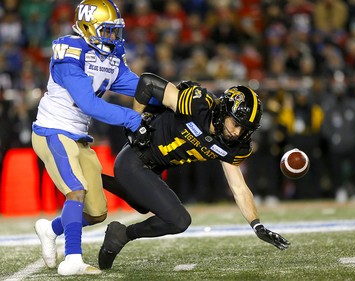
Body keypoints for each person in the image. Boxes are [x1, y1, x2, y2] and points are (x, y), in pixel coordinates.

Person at [98, 73, 290, 270]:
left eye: (245, 129)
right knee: (179, 220)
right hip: (134, 160)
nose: (237, 133)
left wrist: (257, 225)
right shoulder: (198, 105)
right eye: (236, 123)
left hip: (152, 171)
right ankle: (121, 235)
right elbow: (147, 82)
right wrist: (134, 123)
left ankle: (97, 180)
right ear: (223, 111)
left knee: (142, 205)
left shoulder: (234, 145)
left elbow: (239, 188)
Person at [31, 0, 158, 276]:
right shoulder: (70, 51)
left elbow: (139, 87)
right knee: (75, 189)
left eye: (114, 31)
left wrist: (174, 98)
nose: (112, 37)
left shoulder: (110, 57)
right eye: (107, 30)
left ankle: (50, 229)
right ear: (88, 27)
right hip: (53, 129)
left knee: (97, 212)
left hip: (78, 135)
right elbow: (87, 103)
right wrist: (132, 118)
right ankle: (72, 260)